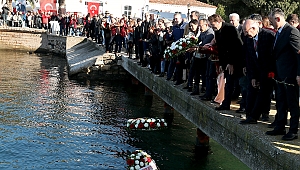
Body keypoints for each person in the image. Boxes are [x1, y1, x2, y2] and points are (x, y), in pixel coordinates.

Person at [265, 8, 300, 141]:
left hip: (290, 75)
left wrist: (299, 74)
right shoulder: (278, 32)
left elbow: (299, 55)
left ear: (278, 19)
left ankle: (293, 130)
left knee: (292, 103)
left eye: (272, 20)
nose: (271, 23)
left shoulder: (292, 32)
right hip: (280, 74)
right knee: (280, 101)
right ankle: (280, 126)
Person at [239, 19, 275, 124]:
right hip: (255, 68)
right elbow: (250, 57)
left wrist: (265, 75)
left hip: (268, 70)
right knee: (251, 90)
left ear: (254, 28)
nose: (245, 34)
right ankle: (249, 115)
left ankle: (256, 116)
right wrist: (254, 77)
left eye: (246, 31)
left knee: (263, 93)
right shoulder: (248, 38)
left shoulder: (268, 36)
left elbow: (271, 57)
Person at [205, 14, 243, 111]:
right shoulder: (217, 31)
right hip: (226, 61)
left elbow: (236, 46)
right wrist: (222, 64)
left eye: (213, 25)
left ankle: (243, 106)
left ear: (218, 22)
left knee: (240, 84)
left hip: (236, 61)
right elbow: (221, 49)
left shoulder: (230, 29)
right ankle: (226, 104)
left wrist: (231, 63)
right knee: (228, 83)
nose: (212, 27)